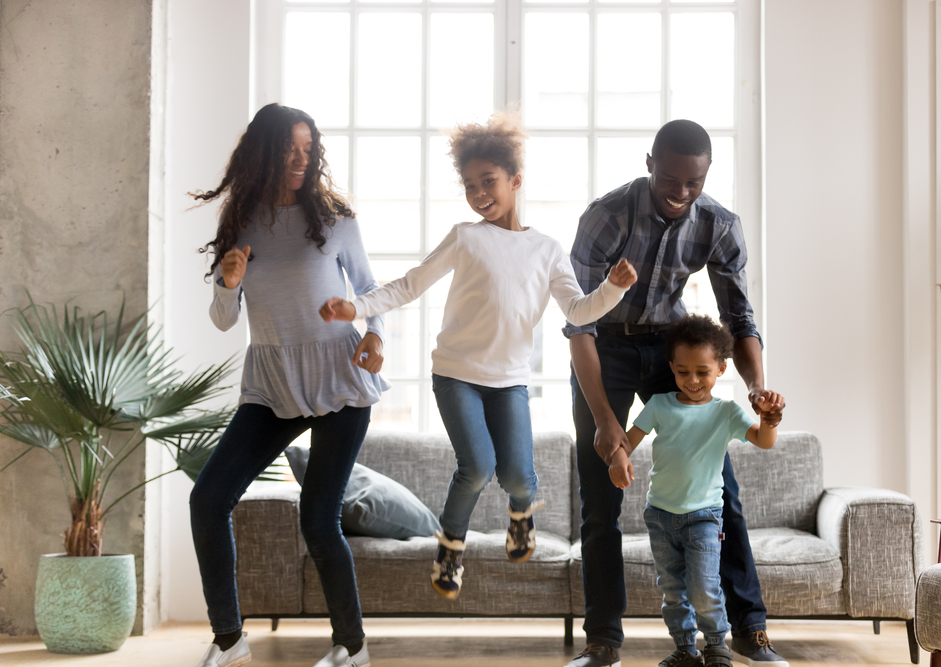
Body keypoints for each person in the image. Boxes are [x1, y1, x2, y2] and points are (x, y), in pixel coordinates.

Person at [319, 112, 638, 600]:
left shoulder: (547, 249)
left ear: (515, 180)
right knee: (476, 466)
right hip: (456, 375)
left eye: (488, 181)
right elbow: (411, 283)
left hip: (509, 379)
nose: (479, 193)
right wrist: (356, 307)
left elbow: (578, 310)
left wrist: (612, 290)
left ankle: (522, 514)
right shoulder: (465, 237)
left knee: (516, 475)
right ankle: (450, 548)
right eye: (470, 185)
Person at [564, 119, 788, 667]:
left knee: (721, 491)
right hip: (606, 349)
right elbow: (578, 326)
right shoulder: (605, 216)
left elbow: (739, 317)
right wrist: (605, 421)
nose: (680, 193)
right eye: (670, 179)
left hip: (671, 351)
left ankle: (749, 630)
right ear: (649, 164)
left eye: (694, 183)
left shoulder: (718, 223)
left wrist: (756, 387)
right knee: (601, 498)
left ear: (705, 175)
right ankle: (603, 643)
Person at [189, 103, 386, 667]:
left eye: (307, 150)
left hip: (340, 378)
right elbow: (224, 319)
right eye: (289, 150)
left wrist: (375, 336)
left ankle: (351, 646)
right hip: (273, 383)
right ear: (264, 152)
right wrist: (229, 283)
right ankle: (229, 639)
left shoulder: (334, 217)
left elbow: (371, 290)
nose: (301, 161)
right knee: (208, 500)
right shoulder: (240, 219)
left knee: (319, 518)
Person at [609, 315, 781, 667]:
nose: (692, 380)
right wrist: (617, 457)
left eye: (702, 372)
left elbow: (764, 442)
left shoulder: (727, 412)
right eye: (683, 371)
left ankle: (717, 646)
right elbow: (628, 440)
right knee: (673, 592)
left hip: (704, 517)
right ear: (671, 366)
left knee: (704, 589)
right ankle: (685, 650)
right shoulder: (659, 404)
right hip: (660, 516)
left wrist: (768, 418)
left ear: (721, 368)